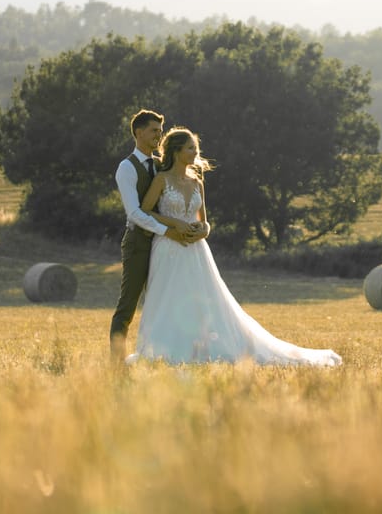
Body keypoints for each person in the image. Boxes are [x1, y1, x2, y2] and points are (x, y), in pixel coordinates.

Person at [129, 127, 341, 367]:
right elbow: (145, 210)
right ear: (177, 151)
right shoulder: (162, 179)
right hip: (169, 246)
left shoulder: (197, 182)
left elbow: (205, 221)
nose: (195, 152)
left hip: (196, 250)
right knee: (168, 297)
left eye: (195, 148)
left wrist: (202, 231)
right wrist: (175, 223)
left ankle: (206, 346)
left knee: (205, 299)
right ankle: (165, 348)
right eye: (190, 148)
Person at [110, 110, 205, 359]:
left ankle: (171, 352)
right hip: (140, 243)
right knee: (128, 304)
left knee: (166, 301)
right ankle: (116, 362)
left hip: (167, 247)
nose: (158, 136)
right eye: (153, 130)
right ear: (139, 132)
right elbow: (135, 213)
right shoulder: (126, 168)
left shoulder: (161, 166)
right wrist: (168, 231)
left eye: (160, 131)